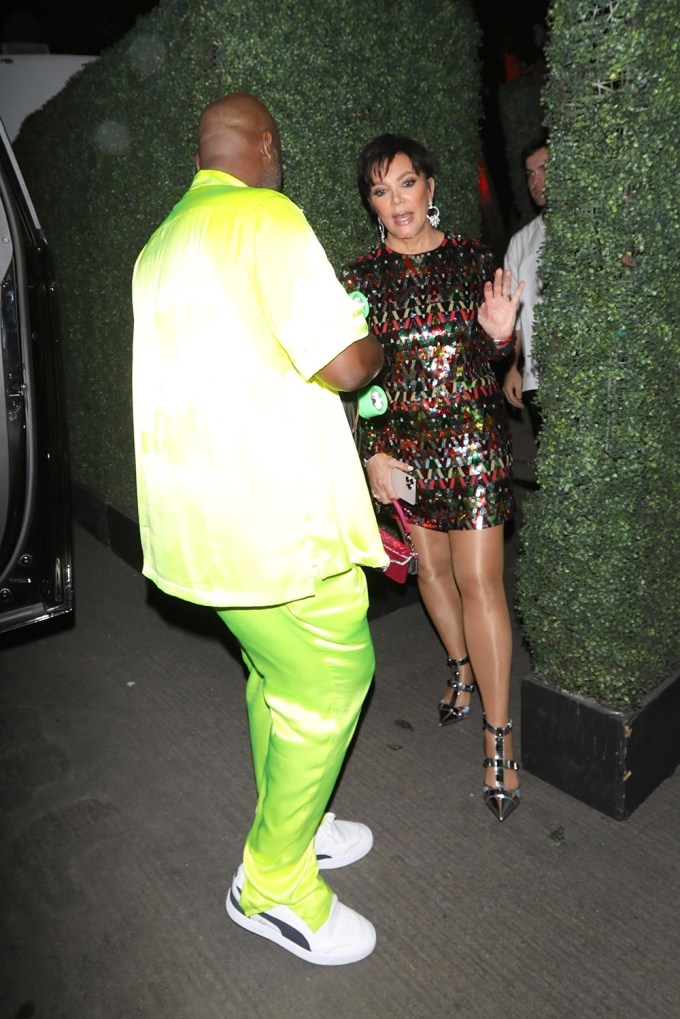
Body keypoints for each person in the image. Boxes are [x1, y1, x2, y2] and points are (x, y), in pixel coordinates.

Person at [131, 93, 388, 966]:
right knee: (333, 676)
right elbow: (347, 364)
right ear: (267, 146)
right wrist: (372, 334)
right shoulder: (266, 217)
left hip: (200, 524)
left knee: (274, 675)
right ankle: (273, 882)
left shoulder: (159, 244)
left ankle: (299, 820)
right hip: (275, 517)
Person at [342, 134, 524, 822]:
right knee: (430, 572)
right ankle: (459, 666)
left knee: (481, 580)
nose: (397, 203)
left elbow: (494, 344)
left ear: (430, 184)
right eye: (381, 192)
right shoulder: (357, 278)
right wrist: (369, 454)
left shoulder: (477, 258)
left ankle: (499, 738)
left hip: (473, 440)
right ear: (371, 205)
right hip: (403, 451)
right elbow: (348, 378)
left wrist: (504, 337)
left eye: (406, 184)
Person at [502, 135, 549, 438]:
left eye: (544, 169)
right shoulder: (520, 242)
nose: (536, 181)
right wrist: (513, 367)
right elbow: (513, 317)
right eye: (530, 174)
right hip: (537, 380)